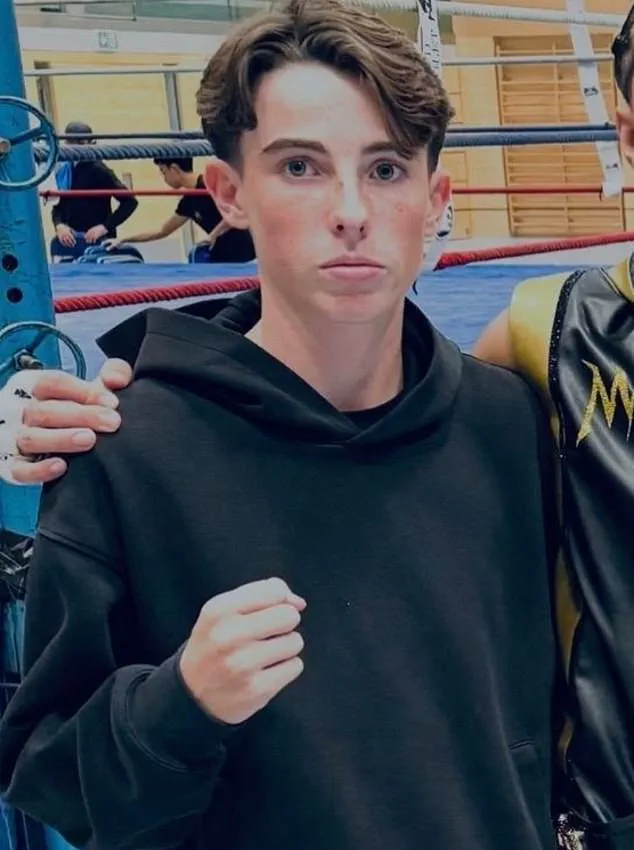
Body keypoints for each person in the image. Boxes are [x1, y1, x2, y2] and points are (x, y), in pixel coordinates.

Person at [0, 2, 559, 850]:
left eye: (386, 168)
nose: (351, 210)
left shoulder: (511, 425)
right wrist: (179, 704)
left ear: (435, 198)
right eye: (301, 166)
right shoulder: (124, 451)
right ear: (229, 194)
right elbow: (53, 779)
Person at [106, 156, 256, 263]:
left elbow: (239, 208)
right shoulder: (189, 201)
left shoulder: (211, 185)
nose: (164, 178)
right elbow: (162, 231)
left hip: (248, 256)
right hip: (223, 258)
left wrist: (213, 235)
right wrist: (124, 239)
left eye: (163, 172)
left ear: (175, 169)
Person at [51, 121, 139, 261]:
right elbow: (57, 204)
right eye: (71, 142)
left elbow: (130, 202)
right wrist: (59, 225)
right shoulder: (64, 170)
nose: (75, 146)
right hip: (71, 241)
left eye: (80, 143)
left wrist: (104, 227)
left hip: (99, 242)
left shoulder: (99, 170)